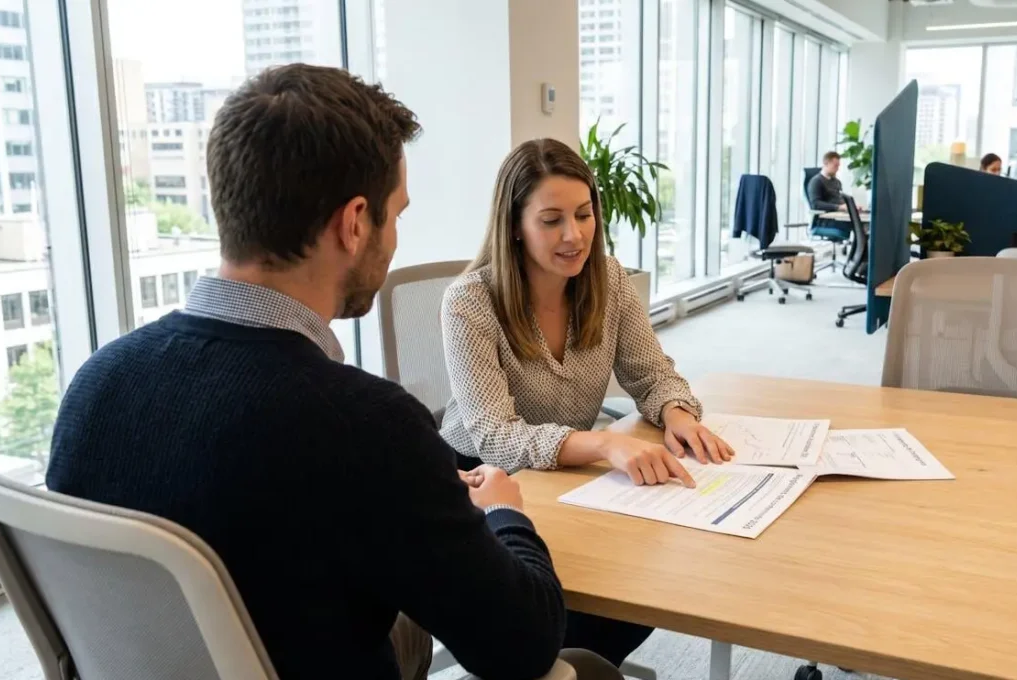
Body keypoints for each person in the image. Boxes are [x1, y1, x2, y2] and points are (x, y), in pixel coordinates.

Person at [45, 65, 623, 680]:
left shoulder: (94, 386)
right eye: (395, 215)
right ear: (353, 223)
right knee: (586, 668)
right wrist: (507, 513)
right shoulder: (364, 425)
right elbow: (523, 645)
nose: (395, 235)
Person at [438, 138, 735, 667]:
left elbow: (651, 372)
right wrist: (603, 443)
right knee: (570, 617)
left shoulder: (610, 280)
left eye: (583, 214)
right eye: (551, 220)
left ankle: (576, 666)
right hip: (482, 484)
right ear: (514, 225)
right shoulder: (470, 302)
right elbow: (494, 434)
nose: (574, 235)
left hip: (567, 478)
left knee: (648, 581)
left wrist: (676, 413)